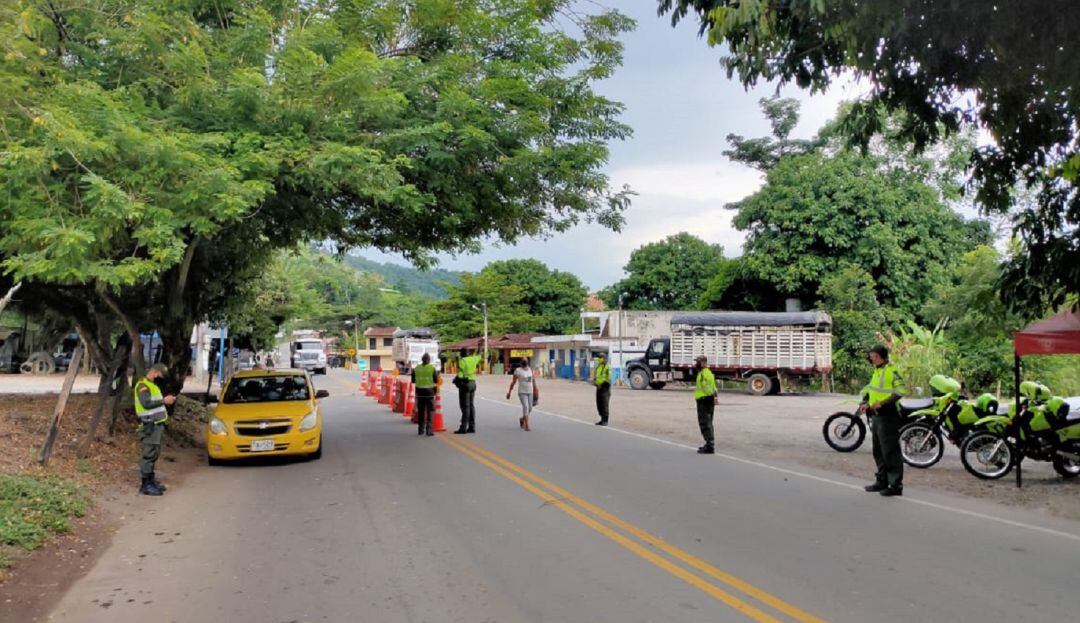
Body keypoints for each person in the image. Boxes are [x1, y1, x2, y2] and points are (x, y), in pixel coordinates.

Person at [860, 345, 908, 497]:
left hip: (888, 415)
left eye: (873, 355)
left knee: (890, 452)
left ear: (879, 356)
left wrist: (883, 403)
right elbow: (871, 390)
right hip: (876, 416)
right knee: (878, 451)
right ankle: (881, 481)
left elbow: (901, 391)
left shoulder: (891, 370)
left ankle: (895, 485)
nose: (871, 358)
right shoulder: (876, 371)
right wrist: (865, 402)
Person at [134, 363, 176, 496]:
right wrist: (164, 401)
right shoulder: (142, 385)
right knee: (148, 454)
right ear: (154, 372)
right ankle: (145, 485)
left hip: (156, 424)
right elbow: (146, 403)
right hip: (149, 425)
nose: (160, 378)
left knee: (154, 453)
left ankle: (151, 481)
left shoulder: (152, 385)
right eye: (160, 375)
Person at [454, 348, 482, 434]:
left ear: (462, 354)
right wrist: (479, 347)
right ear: (468, 353)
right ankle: (472, 427)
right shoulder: (473, 359)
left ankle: (463, 428)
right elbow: (479, 355)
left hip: (465, 385)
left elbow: (460, 374)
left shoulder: (462, 361)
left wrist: (456, 381)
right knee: (471, 405)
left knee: (465, 406)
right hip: (473, 383)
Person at [506, 357, 539, 431]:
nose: (525, 362)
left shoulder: (530, 370)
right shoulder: (517, 371)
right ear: (521, 363)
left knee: (530, 408)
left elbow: (533, 382)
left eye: (526, 361)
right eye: (523, 361)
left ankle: (522, 419)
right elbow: (513, 382)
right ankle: (526, 425)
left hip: (530, 392)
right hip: (522, 392)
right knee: (526, 407)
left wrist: (536, 391)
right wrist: (509, 392)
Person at [693, 356, 718, 454]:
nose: (696, 364)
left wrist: (710, 397)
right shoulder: (708, 373)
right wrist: (715, 397)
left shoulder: (704, 374)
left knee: (705, 423)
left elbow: (707, 388)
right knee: (708, 422)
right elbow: (714, 387)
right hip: (708, 399)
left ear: (703, 363)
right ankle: (709, 444)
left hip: (704, 400)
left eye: (698, 362)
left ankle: (710, 446)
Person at [412, 353, 440, 436]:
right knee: (430, 411)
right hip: (429, 393)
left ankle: (420, 430)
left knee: (421, 411)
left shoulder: (416, 368)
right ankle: (429, 430)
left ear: (422, 359)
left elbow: (413, 380)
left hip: (419, 392)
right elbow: (436, 380)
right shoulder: (432, 368)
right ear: (429, 360)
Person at [594, 352, 611, 426]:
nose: (598, 359)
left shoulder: (608, 366)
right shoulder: (599, 366)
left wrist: (601, 384)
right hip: (598, 387)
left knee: (604, 404)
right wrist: (595, 381)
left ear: (604, 358)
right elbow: (598, 376)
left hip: (605, 387)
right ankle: (601, 419)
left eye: (600, 358)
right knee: (599, 404)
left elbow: (609, 379)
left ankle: (605, 420)